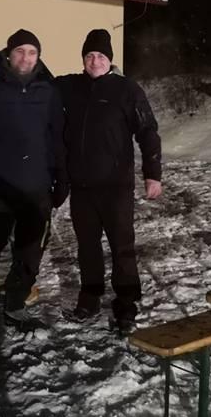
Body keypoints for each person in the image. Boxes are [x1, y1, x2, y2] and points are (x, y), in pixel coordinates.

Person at [0, 29, 68, 341]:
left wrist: (61, 178)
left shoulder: (48, 91)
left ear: (38, 57)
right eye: (20, 51)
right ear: (8, 54)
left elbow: (57, 137)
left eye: (32, 52)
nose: (25, 58)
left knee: (29, 254)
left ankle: (16, 305)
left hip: (36, 188)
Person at [55, 29, 162, 334]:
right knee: (87, 246)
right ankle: (90, 297)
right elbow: (38, 78)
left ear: (110, 59)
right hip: (82, 187)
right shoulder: (71, 87)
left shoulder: (127, 89)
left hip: (116, 186)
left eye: (100, 56)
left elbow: (148, 131)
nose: (94, 61)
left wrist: (153, 173)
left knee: (121, 246)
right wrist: (5, 62)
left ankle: (126, 303)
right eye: (89, 55)